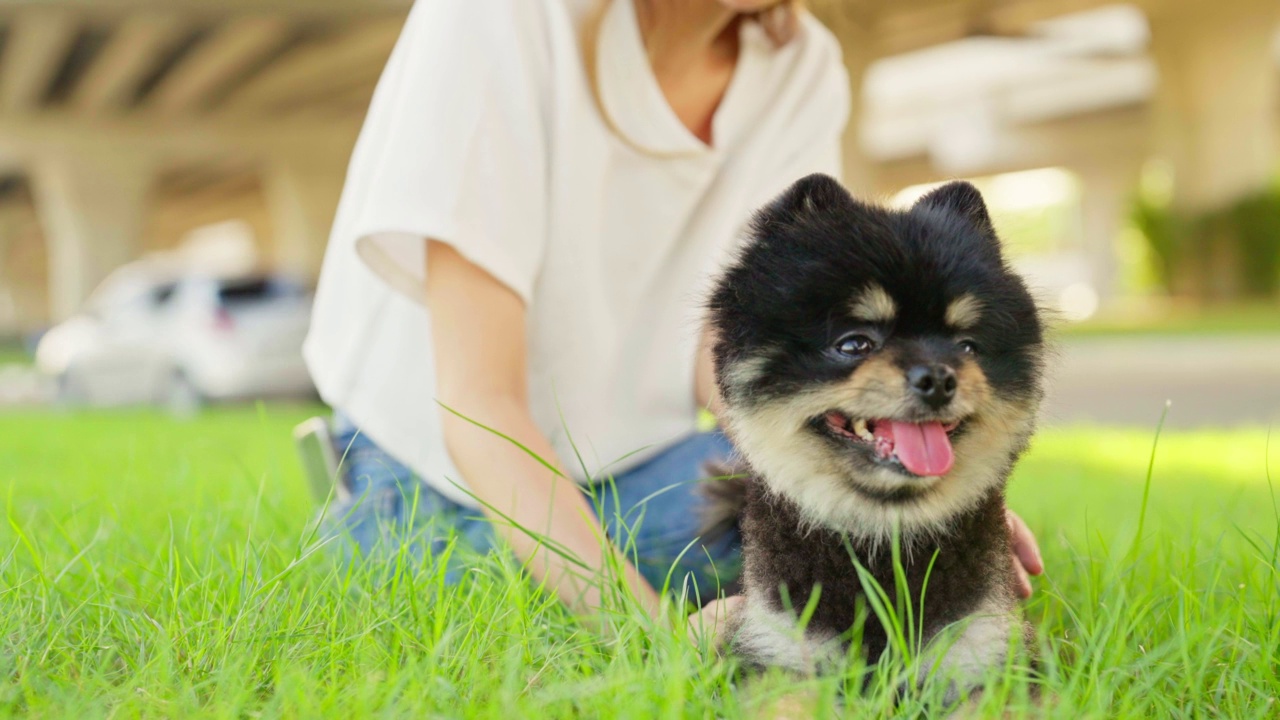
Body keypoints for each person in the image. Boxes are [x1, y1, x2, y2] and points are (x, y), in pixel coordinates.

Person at [302, 0, 1043, 636]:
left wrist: (912, 494)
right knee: (468, 590)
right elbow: (477, 403)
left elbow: (729, 344)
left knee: (867, 529)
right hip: (434, 477)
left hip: (639, 468)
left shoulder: (800, 64)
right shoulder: (502, 16)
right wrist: (650, 632)